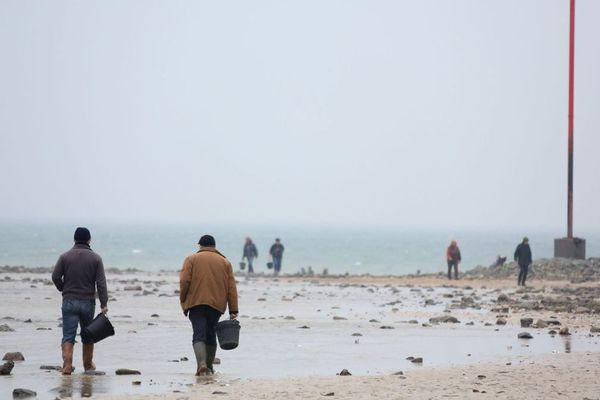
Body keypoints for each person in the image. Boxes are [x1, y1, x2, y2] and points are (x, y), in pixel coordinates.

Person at [51, 227, 108, 375]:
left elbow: (55, 277)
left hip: (69, 301)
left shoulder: (64, 257)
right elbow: (101, 283)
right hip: (87, 302)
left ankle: (67, 365)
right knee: (87, 334)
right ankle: (88, 365)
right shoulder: (96, 258)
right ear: (89, 240)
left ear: (74, 239)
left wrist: (63, 289)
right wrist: (104, 303)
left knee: (68, 335)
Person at [179, 235, 239, 376]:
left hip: (196, 303)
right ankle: (210, 367)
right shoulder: (225, 262)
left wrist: (184, 299)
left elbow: (184, 281)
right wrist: (233, 309)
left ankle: (201, 365)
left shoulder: (191, 259)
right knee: (211, 334)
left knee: (198, 334)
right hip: (216, 305)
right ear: (214, 246)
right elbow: (231, 288)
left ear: (200, 245)